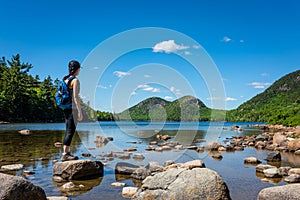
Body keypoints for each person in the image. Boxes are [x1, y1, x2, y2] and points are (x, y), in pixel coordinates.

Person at [61, 60, 83, 161]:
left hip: (65, 108)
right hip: (72, 108)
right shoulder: (75, 80)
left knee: (68, 130)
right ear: (77, 69)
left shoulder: (65, 79)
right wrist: (79, 111)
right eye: (79, 69)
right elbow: (75, 97)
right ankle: (65, 154)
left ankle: (66, 152)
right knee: (70, 131)